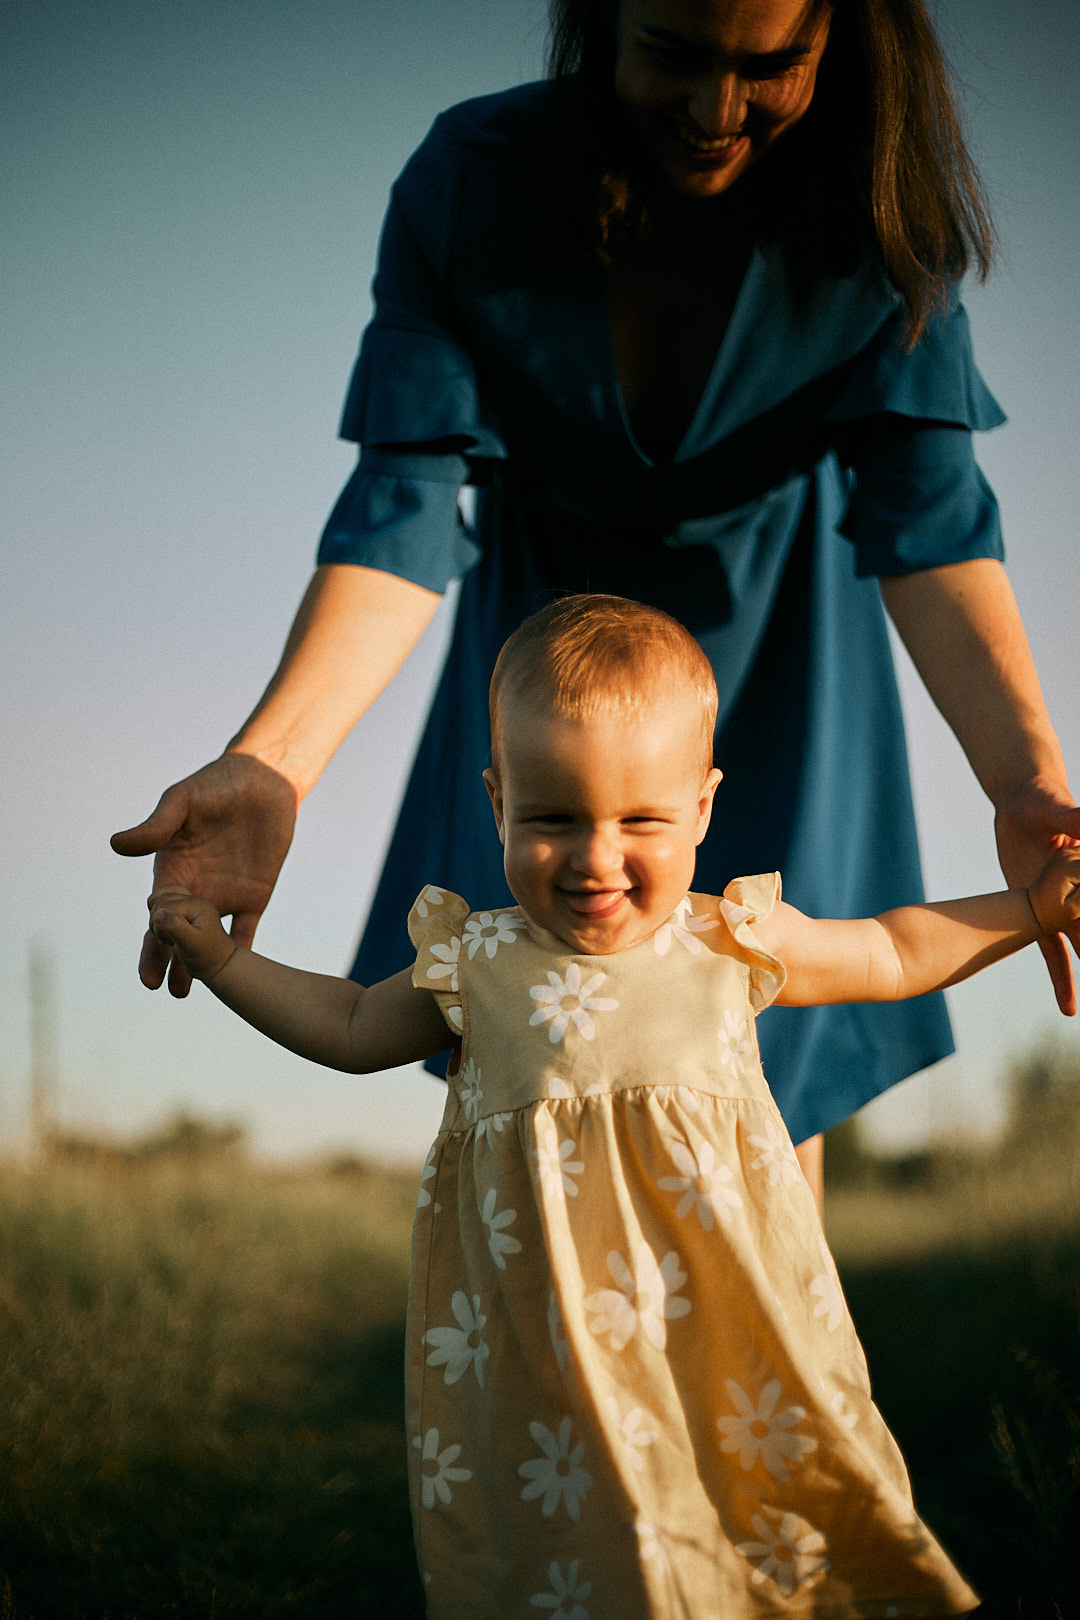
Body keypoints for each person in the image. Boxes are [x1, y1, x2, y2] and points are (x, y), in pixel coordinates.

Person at [112, 0, 1080, 1206]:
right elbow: (403, 513)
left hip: (789, 652)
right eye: (675, 53)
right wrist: (270, 765)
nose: (719, 111)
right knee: (535, 1040)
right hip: (543, 651)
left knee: (768, 1084)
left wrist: (1026, 779)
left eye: (773, 66)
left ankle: (755, 1374)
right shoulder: (476, 183)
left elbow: (933, 525)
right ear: (603, 19)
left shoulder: (881, 207)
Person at [148, 596, 1080, 1617]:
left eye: (640, 820)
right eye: (553, 820)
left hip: (731, 1331)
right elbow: (348, 1025)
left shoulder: (730, 941)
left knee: (769, 1527)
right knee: (579, 1547)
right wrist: (227, 960)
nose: (597, 857)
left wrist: (1031, 912)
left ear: (704, 809)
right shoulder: (480, 961)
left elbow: (893, 948)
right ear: (499, 804)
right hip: (550, 1353)